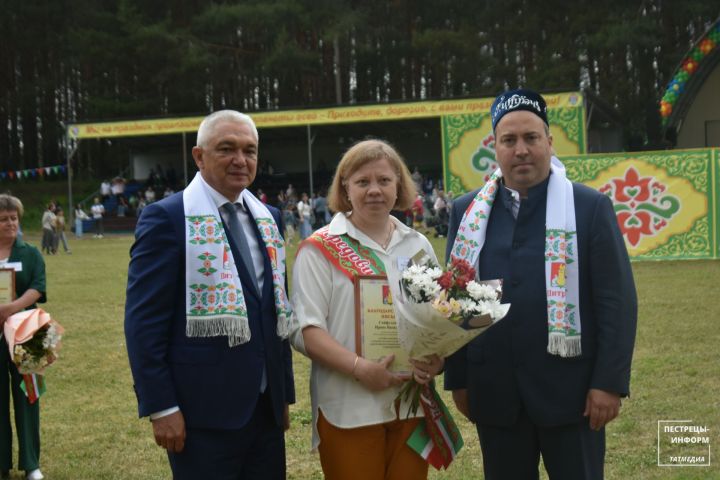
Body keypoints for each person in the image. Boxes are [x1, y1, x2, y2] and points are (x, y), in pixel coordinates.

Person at [444, 89, 637, 480]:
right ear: (494, 147)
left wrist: (608, 384)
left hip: (573, 395)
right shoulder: (467, 212)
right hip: (496, 394)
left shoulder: (589, 207)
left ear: (549, 142)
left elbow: (616, 302)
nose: (521, 150)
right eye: (509, 140)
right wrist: (459, 379)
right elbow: (456, 298)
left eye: (531, 138)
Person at [125, 110, 295, 479]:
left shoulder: (270, 217)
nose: (240, 160)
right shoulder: (167, 218)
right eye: (227, 149)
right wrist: (161, 406)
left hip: (265, 410)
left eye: (250, 150)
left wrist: (282, 394)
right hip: (200, 414)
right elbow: (143, 324)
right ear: (198, 156)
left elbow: (275, 312)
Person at [290, 139, 444, 480]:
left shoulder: (418, 245)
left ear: (398, 186)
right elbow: (305, 331)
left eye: (384, 180)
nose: (374, 190)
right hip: (349, 406)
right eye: (362, 182)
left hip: (410, 404)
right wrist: (361, 368)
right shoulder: (318, 249)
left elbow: (437, 318)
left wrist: (437, 358)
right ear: (345, 188)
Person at [0, 194, 47, 480]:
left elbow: (38, 287)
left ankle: (32, 464)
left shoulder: (30, 253)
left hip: (27, 333)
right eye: (3, 219)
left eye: (13, 218)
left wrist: (9, 309)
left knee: (29, 396)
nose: (10, 223)